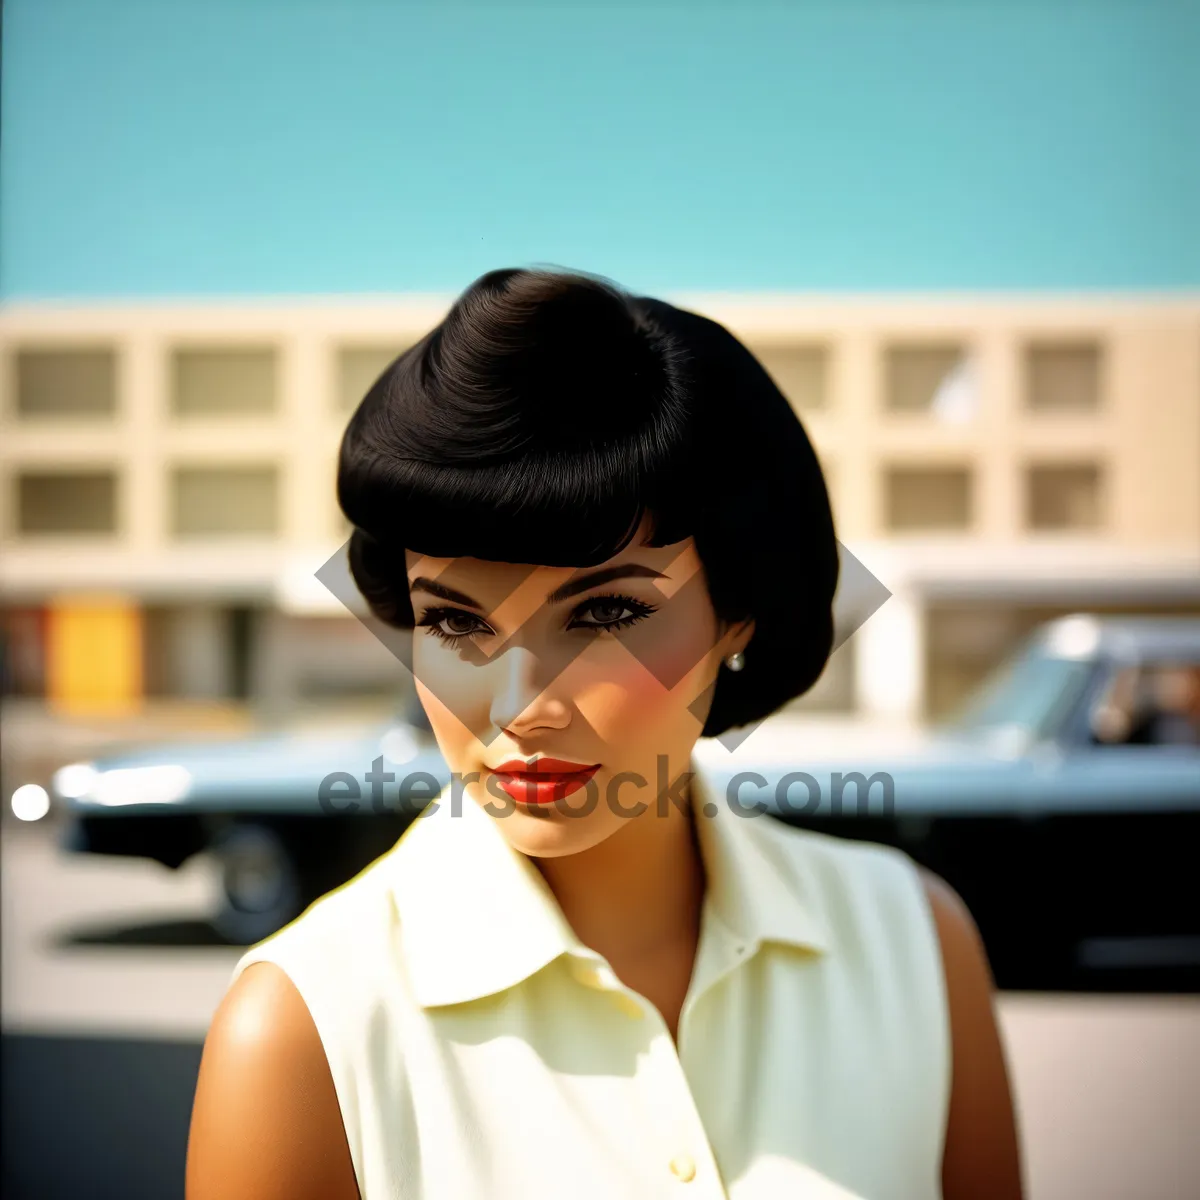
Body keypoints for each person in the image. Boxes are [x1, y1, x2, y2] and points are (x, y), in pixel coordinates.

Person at [186, 268, 1023, 1200]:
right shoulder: (304, 1030)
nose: (519, 703)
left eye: (607, 614)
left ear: (736, 617)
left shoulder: (913, 947)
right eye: (456, 622)